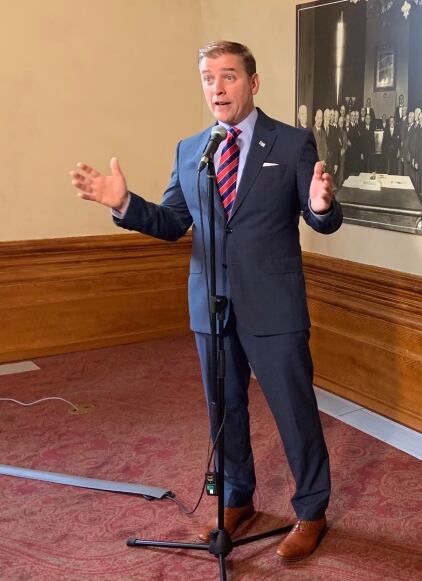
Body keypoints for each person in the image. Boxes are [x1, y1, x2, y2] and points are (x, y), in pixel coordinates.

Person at [70, 40, 342, 563]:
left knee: (294, 410)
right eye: (208, 78)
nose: (216, 88)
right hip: (210, 304)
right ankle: (237, 498)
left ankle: (311, 510)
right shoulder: (192, 148)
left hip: (274, 304)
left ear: (253, 82)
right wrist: (123, 203)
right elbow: (174, 222)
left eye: (229, 77)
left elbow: (318, 215)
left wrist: (322, 205)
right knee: (225, 409)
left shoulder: (291, 142)